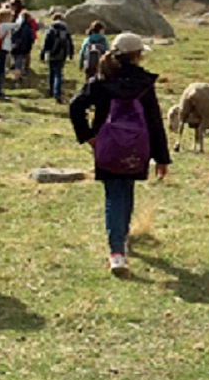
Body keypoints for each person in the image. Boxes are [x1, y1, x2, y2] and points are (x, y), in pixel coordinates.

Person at [69, 32, 170, 276]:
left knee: (113, 193)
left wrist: (89, 135)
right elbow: (154, 121)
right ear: (137, 56)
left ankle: (117, 252)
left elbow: (75, 105)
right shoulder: (144, 84)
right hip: (137, 148)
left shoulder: (101, 81)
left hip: (108, 146)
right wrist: (162, 157)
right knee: (127, 190)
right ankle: (121, 240)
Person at [39, 13, 73, 102]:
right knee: (58, 74)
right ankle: (57, 93)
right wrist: (70, 54)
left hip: (52, 54)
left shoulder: (51, 30)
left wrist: (42, 54)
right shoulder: (66, 31)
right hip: (62, 55)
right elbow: (70, 43)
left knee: (51, 73)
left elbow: (46, 43)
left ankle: (51, 91)